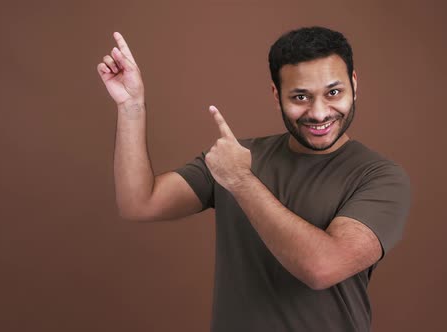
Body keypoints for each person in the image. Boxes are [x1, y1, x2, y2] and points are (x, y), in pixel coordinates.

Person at [96, 26, 411, 332]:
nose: (319, 112)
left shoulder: (380, 177)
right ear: (277, 95)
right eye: (300, 97)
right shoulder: (237, 155)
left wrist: (240, 180)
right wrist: (131, 106)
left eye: (333, 92)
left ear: (354, 84)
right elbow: (139, 203)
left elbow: (322, 268)